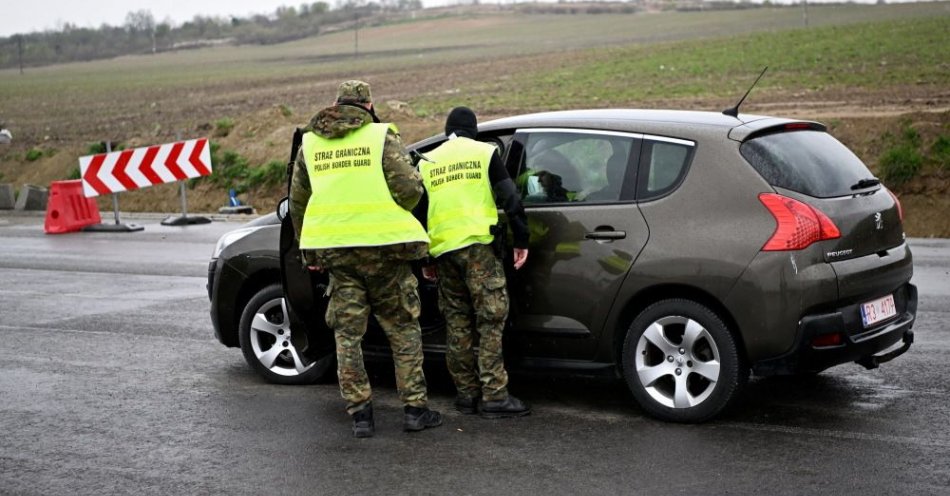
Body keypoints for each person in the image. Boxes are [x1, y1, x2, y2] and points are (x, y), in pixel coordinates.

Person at [289, 80, 442, 438]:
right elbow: (408, 191)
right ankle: (415, 410)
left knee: (347, 335)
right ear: (369, 105)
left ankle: (361, 415)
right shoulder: (381, 136)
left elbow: (297, 202)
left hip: (337, 254)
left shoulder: (309, 144)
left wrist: (306, 246)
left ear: (334, 104)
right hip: (385, 252)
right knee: (403, 329)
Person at [419, 106, 531, 418]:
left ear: (446, 131)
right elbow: (511, 198)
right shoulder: (484, 153)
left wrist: (425, 258)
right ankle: (494, 396)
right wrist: (521, 240)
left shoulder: (428, 161)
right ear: (474, 129)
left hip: (443, 252)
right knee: (491, 320)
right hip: (479, 249)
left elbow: (420, 213)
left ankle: (466, 395)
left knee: (457, 324)